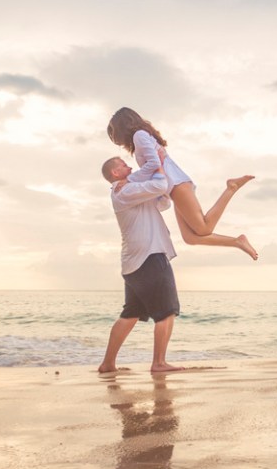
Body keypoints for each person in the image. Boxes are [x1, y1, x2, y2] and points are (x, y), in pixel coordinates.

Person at [106, 107, 258, 260]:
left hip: (177, 184)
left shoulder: (139, 135)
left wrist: (129, 180)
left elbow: (154, 163)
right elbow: (154, 168)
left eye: (114, 132)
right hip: (173, 188)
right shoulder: (141, 137)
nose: (115, 139)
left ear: (122, 126)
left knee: (204, 228)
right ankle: (237, 241)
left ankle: (231, 188)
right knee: (190, 238)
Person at [97, 155, 188, 375]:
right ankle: (159, 363)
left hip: (133, 262)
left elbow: (163, 201)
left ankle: (108, 364)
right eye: (122, 164)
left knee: (131, 313)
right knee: (167, 312)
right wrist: (157, 164)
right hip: (149, 255)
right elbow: (160, 185)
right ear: (115, 173)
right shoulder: (125, 191)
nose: (128, 165)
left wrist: (159, 187)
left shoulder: (131, 190)